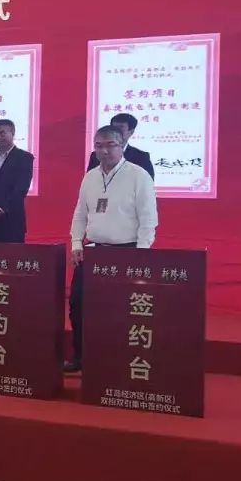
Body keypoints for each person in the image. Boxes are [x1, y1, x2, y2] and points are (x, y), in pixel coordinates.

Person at [66, 125, 159, 372]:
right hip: (94, 252)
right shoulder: (90, 176)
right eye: (99, 146)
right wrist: (76, 243)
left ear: (122, 146)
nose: (104, 151)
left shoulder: (138, 175)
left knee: (119, 310)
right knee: (78, 306)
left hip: (126, 252)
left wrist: (141, 253)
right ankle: (81, 357)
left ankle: (117, 361)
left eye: (110, 145)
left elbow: (148, 219)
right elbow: (80, 213)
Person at [87, 113, 154, 179]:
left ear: (131, 132)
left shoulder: (141, 157)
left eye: (121, 128)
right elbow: (90, 179)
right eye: (114, 128)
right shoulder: (96, 155)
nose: (116, 132)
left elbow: (147, 181)